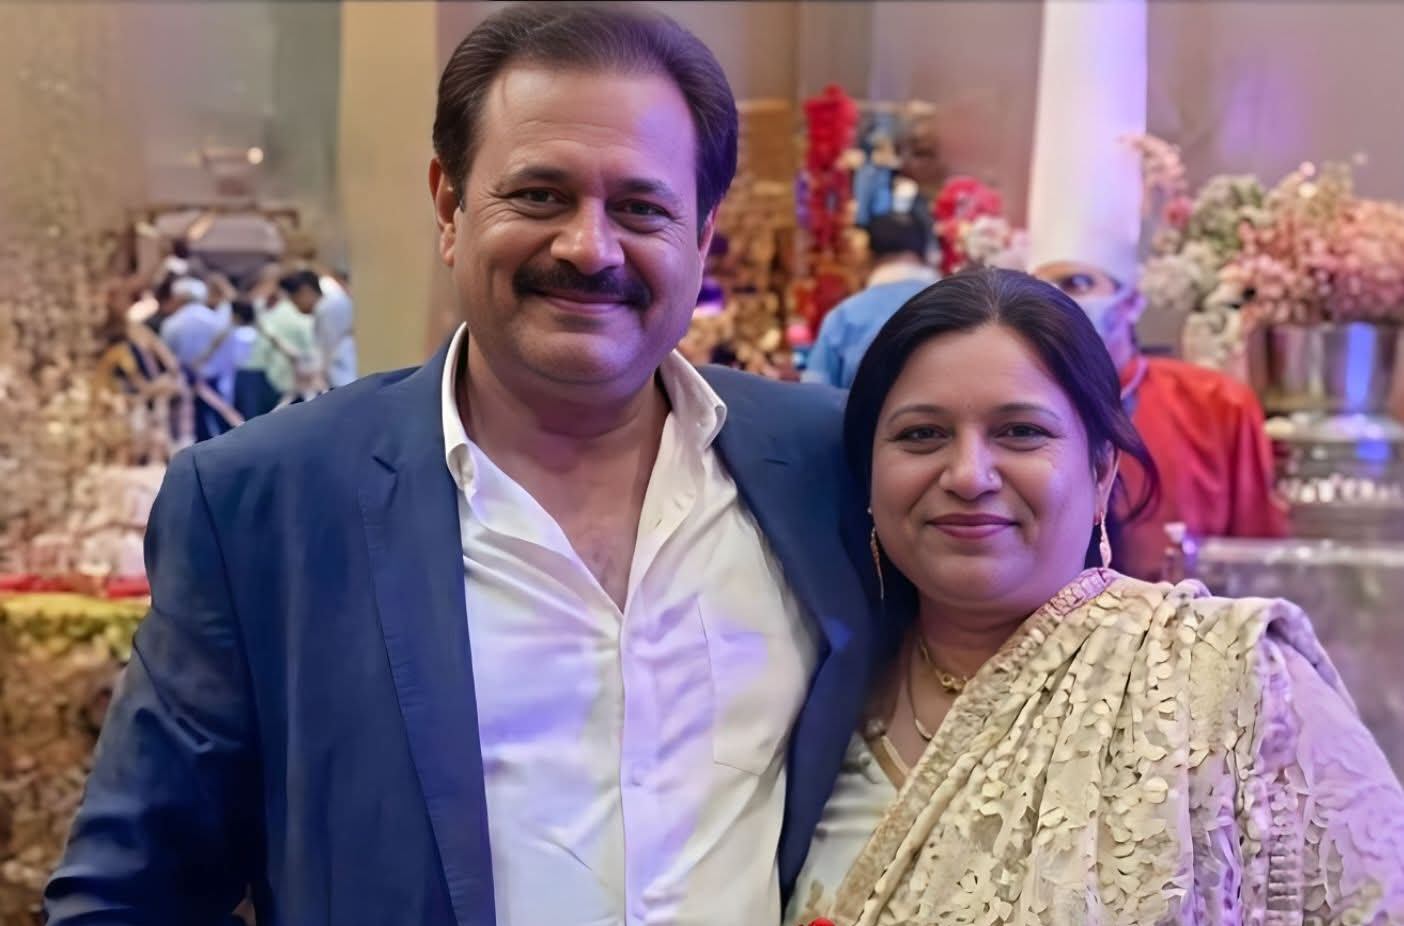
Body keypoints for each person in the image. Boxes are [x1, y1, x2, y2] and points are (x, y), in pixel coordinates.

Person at [46, 6, 872, 925]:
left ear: (703, 232)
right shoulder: (267, 507)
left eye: (641, 208)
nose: (589, 247)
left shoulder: (831, 467)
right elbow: (131, 895)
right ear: (449, 206)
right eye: (540, 195)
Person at [786, 268, 1404, 926]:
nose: (968, 475)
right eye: (921, 435)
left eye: (1020, 431)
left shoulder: (1235, 683)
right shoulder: (810, 697)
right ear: (869, 475)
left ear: (1102, 471)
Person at [1024, 0, 1285, 579]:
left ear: (1130, 300)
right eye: (1043, 286)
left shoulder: (1215, 406)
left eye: (1078, 283)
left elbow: (1262, 561)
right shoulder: (1014, 405)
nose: (1059, 303)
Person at [804, 213, 937, 389]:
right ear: (926, 254)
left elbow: (815, 393)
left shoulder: (845, 316)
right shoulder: (960, 306)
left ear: (868, 255)